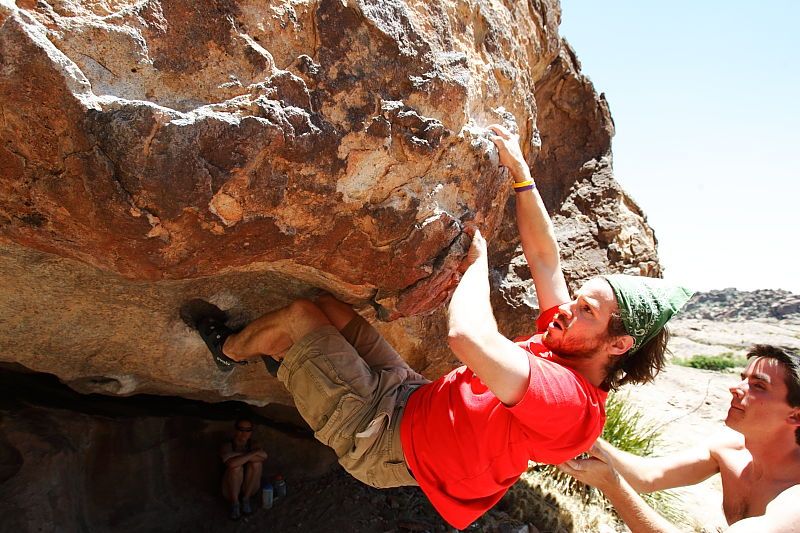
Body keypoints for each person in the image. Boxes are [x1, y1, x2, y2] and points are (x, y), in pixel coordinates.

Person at [185, 124, 692, 529]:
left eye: (587, 311)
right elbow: (546, 260)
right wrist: (520, 173)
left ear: (618, 344)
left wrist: (477, 263)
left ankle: (227, 350)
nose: (566, 308)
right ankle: (292, 363)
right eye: (578, 300)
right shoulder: (568, 341)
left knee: (301, 320)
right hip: (408, 396)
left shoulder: (570, 404)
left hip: (380, 439)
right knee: (325, 306)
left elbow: (467, 338)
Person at [559, 344, 800, 532]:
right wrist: (578, 432)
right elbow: (648, 477)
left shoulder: (795, 499)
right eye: (743, 378)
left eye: (758, 386)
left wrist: (612, 485)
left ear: (795, 415)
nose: (736, 388)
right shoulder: (730, 449)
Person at [220, 417, 268, 520]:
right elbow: (231, 464)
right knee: (236, 468)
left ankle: (246, 499)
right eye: (241, 429)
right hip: (230, 490)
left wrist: (235, 455)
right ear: (235, 430)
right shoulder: (227, 445)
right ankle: (235, 503)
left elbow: (264, 456)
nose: (244, 433)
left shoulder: (254, 444)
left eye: (248, 430)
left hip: (250, 488)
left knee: (256, 464)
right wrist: (253, 453)